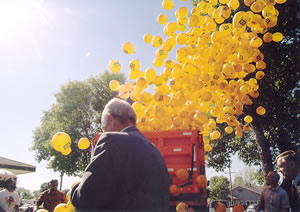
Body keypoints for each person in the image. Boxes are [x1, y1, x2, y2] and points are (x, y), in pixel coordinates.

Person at [71, 98, 170, 211]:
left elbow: (85, 198)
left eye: (103, 128)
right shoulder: (155, 150)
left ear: (111, 119)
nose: (104, 132)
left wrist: (74, 189)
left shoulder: (111, 140)